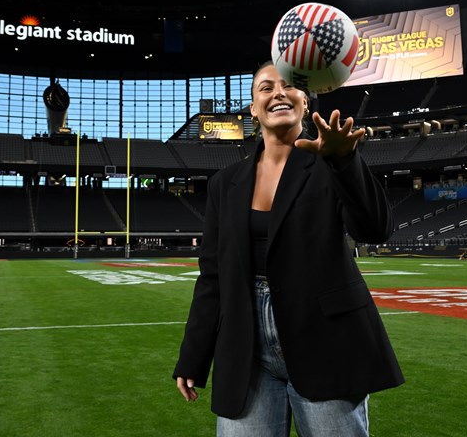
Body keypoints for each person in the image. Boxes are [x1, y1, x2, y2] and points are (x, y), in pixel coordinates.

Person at [173, 63, 404, 436]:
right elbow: (213, 277)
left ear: (304, 99)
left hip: (326, 342)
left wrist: (344, 161)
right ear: (252, 108)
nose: (278, 93)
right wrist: (193, 357)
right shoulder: (224, 183)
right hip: (247, 351)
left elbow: (375, 229)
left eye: (289, 86)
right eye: (266, 88)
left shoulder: (329, 162)